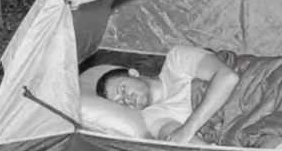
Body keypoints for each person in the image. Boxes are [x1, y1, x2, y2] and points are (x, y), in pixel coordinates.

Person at [96, 44, 239, 144]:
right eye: (120, 102)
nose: (126, 99)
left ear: (133, 74)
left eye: (122, 89)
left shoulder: (175, 61)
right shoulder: (152, 117)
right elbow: (179, 141)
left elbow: (227, 77)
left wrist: (188, 128)